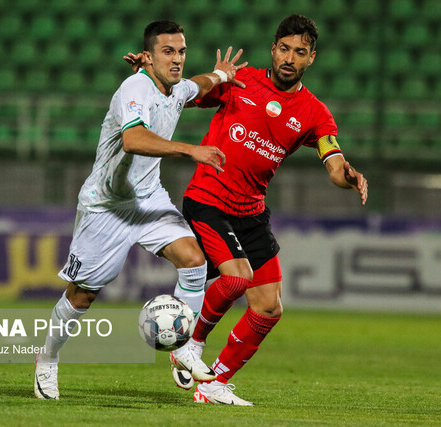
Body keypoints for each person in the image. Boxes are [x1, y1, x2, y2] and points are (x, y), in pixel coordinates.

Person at [127, 14, 368, 406]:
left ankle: (213, 384)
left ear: (312, 59)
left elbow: (333, 158)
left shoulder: (314, 112)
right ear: (273, 49)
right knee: (237, 279)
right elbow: (180, 92)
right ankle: (189, 345)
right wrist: (152, 72)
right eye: (285, 49)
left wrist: (347, 176)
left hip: (251, 211)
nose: (290, 58)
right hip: (209, 198)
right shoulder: (240, 81)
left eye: (300, 52)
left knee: (269, 308)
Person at [34, 20, 247, 400]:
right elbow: (132, 140)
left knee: (194, 260)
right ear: (148, 56)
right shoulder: (134, 86)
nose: (177, 59)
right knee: (83, 294)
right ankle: (47, 359)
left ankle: (181, 349)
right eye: (168, 51)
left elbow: (198, 85)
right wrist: (190, 149)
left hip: (148, 198)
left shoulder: (176, 87)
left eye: (181, 51)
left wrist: (221, 74)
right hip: (107, 206)